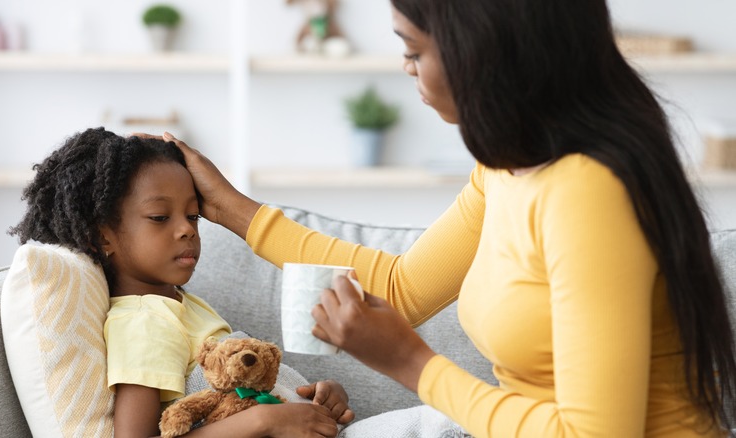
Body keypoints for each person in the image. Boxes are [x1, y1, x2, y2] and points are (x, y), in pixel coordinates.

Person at [151, 0, 736, 436]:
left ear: (483, 50)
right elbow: (403, 287)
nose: (406, 68)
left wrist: (409, 362)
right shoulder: (509, 168)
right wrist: (226, 204)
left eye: (413, 50)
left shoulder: (590, 194)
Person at [9, 127, 354, 438]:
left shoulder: (181, 306)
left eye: (192, 216)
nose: (187, 229)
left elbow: (241, 390)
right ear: (103, 237)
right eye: (160, 217)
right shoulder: (144, 321)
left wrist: (317, 395)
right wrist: (262, 421)